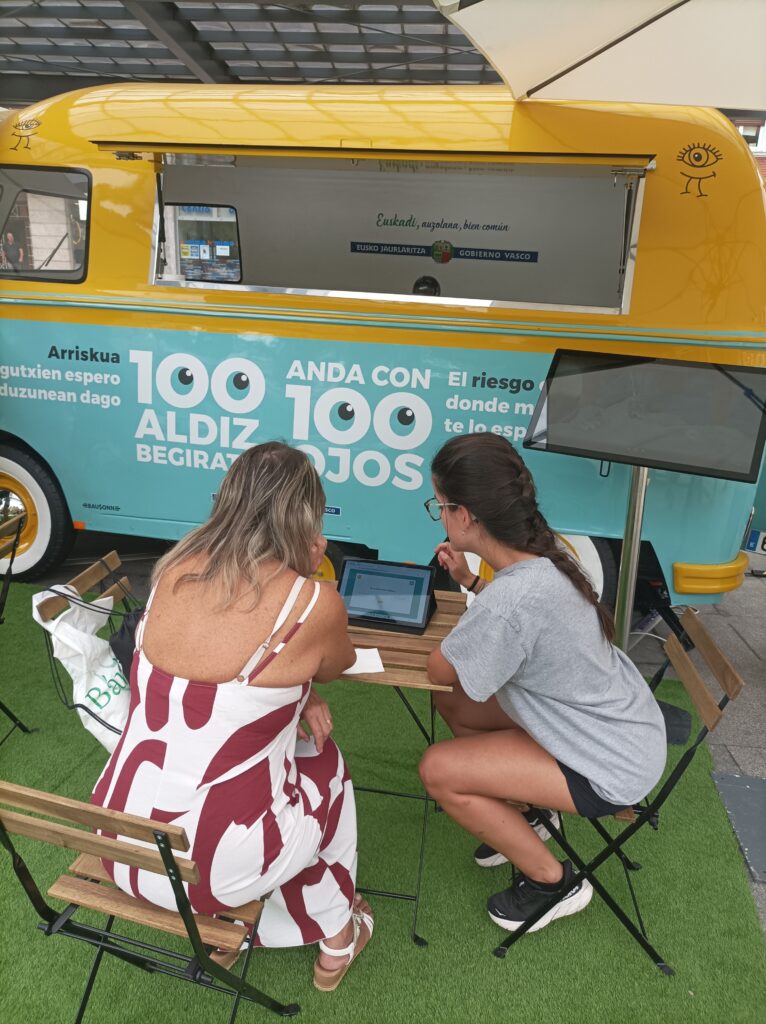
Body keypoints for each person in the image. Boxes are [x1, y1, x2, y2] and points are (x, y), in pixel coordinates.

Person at [91, 442, 372, 991]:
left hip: (119, 843)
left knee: (268, 781)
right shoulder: (310, 600)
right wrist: (306, 574)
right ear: (305, 517)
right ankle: (337, 933)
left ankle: (230, 929)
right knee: (325, 767)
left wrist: (300, 694)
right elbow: (336, 664)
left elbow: (213, 674)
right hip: (211, 873)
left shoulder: (172, 571)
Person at [419, 433, 667, 935]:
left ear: (464, 516)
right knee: (457, 706)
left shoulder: (511, 600)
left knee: (438, 770)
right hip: (613, 728)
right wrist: (472, 584)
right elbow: (512, 628)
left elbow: (440, 669)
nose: (439, 517)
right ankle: (533, 813)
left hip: (608, 762)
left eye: (439, 507)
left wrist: (472, 615)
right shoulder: (541, 558)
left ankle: (553, 883)